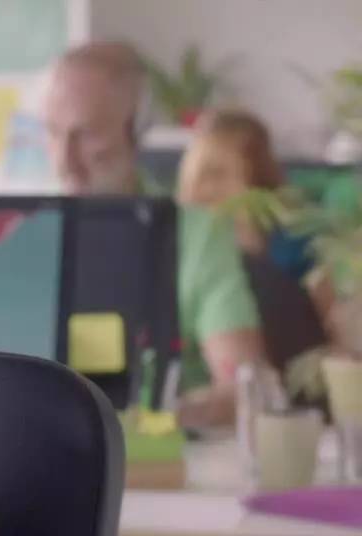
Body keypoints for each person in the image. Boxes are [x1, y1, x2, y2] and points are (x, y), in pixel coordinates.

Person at [42, 41, 267, 428]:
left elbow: (245, 385)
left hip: (157, 452)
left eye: (87, 135)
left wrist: (158, 420)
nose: (65, 160)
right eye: (52, 132)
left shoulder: (196, 234)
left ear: (137, 130)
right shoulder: (22, 233)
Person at [176, 109, 314, 280]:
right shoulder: (172, 244)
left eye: (217, 174)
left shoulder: (296, 248)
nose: (205, 190)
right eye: (198, 175)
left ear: (255, 181)